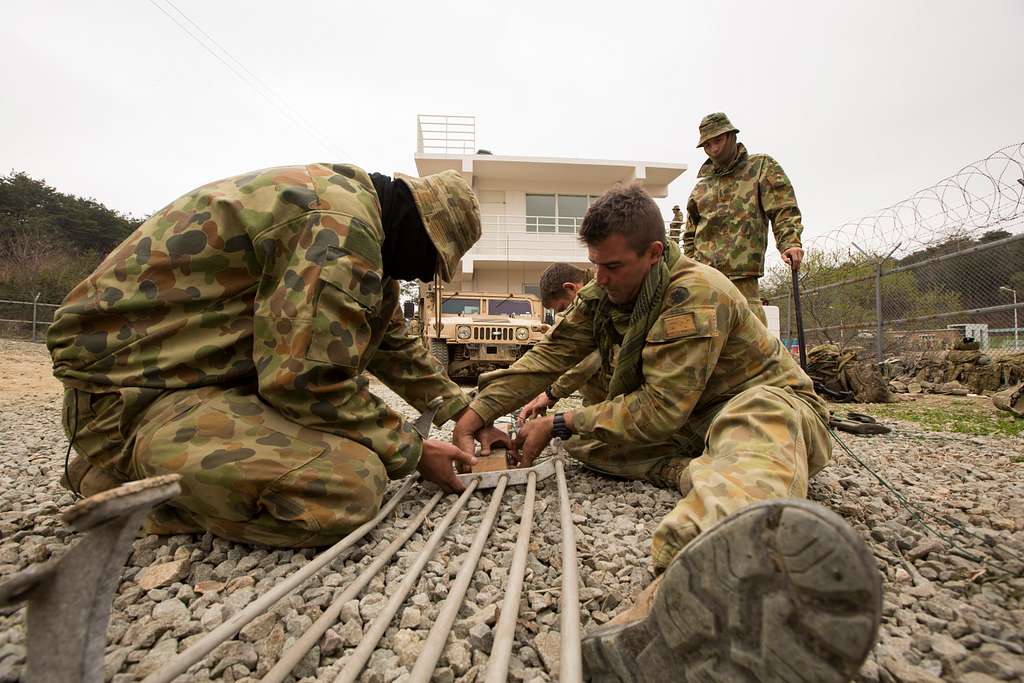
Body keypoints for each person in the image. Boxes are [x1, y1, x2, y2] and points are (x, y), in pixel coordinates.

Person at [454, 183, 880, 681]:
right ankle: (696, 472)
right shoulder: (605, 291)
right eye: (595, 264)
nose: (600, 278)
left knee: (752, 422)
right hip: (691, 426)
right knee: (587, 443)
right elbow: (549, 357)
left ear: (654, 254)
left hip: (762, 407)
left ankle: (693, 587)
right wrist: (472, 418)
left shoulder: (695, 293)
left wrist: (559, 421)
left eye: (612, 267)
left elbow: (657, 410)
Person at [48, 163, 508, 547]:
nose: (426, 275)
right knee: (349, 485)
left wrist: (468, 412)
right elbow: (305, 381)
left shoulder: (353, 214)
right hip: (129, 399)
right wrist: (411, 450)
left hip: (184, 385)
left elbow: (394, 347)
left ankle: (146, 463)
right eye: (432, 261)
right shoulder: (338, 229)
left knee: (358, 450)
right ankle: (131, 481)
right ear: (419, 229)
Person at [684, 112, 805, 325]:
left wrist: (790, 242)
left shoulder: (759, 167)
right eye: (707, 145)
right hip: (706, 283)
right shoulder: (701, 187)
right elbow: (690, 235)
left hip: (744, 279)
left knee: (754, 350)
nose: (714, 149)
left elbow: (782, 207)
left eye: (718, 140)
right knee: (707, 350)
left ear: (731, 136)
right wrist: (693, 271)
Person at [516, 263, 604, 426]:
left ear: (571, 288)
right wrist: (542, 391)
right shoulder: (590, 299)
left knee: (576, 443)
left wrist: (551, 393)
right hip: (606, 403)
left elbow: (590, 360)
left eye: (563, 307)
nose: (564, 314)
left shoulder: (603, 296)